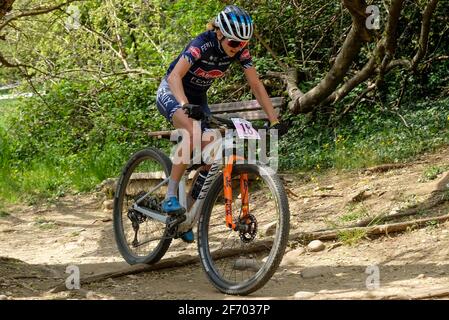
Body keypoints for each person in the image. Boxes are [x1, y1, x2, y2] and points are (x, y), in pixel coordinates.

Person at [155, 5, 287, 242]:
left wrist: (274, 119)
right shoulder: (201, 44)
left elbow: (256, 85)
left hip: (198, 100)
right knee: (194, 133)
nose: (238, 49)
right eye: (234, 44)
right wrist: (185, 104)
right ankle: (170, 195)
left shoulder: (239, 50)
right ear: (219, 33)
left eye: (243, 44)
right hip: (173, 92)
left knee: (213, 156)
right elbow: (175, 76)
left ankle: (186, 217)